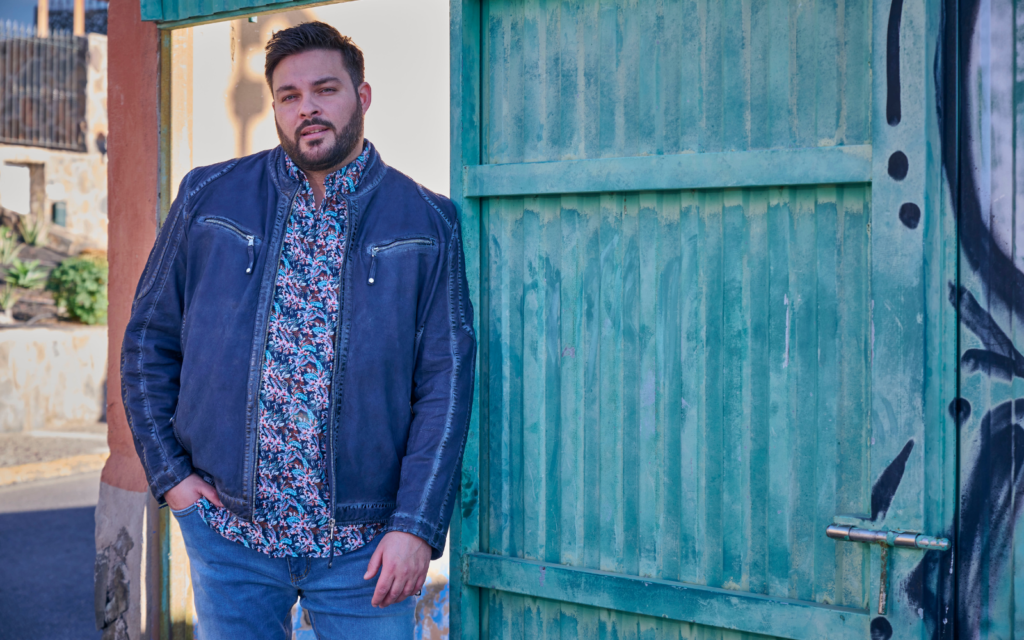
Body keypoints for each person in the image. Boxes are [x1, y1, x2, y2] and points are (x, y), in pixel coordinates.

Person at [120, 21, 475, 639]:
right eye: (289, 96)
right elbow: (148, 341)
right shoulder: (208, 196)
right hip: (229, 535)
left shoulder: (426, 219)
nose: (307, 108)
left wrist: (415, 527)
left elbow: (445, 385)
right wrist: (172, 479)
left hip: (366, 548)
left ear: (362, 97)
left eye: (324, 90)